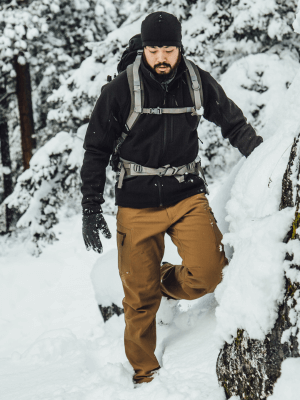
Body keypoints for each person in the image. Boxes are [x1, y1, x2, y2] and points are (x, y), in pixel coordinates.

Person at [81, 11, 263, 385]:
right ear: (144, 50)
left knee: (211, 273)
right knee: (138, 301)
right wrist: (89, 207)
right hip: (135, 202)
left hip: (186, 195)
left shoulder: (196, 81)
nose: (161, 57)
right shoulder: (120, 90)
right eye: (153, 50)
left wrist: (266, 159)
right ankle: (145, 376)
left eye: (168, 49)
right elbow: (95, 150)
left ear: (180, 48)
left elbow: (234, 124)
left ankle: (162, 282)